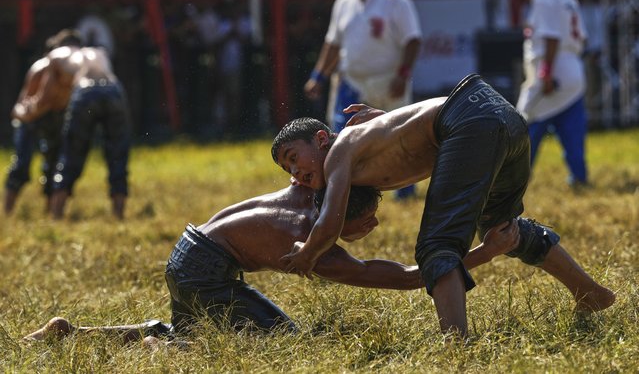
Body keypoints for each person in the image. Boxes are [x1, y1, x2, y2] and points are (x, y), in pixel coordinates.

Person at [271, 73, 616, 338]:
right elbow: (406, 131)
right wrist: (386, 117)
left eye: (293, 158)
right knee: (501, 228)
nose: (296, 173)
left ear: (320, 139)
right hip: (502, 115)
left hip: (469, 118)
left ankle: (457, 347)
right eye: (288, 171)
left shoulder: (339, 153)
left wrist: (307, 254)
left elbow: (331, 221)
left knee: (437, 246)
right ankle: (588, 292)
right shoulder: (362, 145)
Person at [23, 184, 520, 343]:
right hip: (206, 269)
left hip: (189, 252)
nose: (372, 228)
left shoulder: (304, 192)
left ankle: (75, 333)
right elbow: (403, 278)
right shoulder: (310, 241)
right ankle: (158, 353)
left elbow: (339, 158)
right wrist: (487, 252)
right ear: (343, 211)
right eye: (367, 220)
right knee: (284, 338)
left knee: (192, 331)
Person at [303, 0, 422, 199]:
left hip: (388, 80)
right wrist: (318, 76)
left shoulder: (395, 0)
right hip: (352, 81)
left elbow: (412, 40)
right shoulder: (343, 3)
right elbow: (333, 44)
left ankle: (405, 192)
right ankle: (349, 192)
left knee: (399, 136)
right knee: (342, 137)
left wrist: (402, 75)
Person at [12, 29, 132, 219]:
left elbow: (45, 98)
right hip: (114, 90)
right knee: (118, 153)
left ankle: (56, 215)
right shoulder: (96, 52)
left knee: (71, 153)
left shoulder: (54, 56)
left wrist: (25, 113)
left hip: (85, 90)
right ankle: (119, 213)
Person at [503, 0, 589, 188]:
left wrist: (546, 73)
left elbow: (551, 37)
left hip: (551, 70)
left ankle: (512, 183)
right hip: (571, 69)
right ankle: (579, 179)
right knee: (572, 130)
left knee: (523, 128)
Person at [4, 31, 78, 214]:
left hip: (56, 116)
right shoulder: (41, 68)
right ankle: (6, 211)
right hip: (31, 118)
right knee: (22, 162)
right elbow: (21, 104)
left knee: (55, 163)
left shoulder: (76, 71)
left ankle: (51, 213)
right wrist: (29, 113)